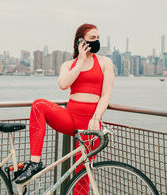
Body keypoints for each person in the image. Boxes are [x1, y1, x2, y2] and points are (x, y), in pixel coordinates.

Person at [15, 23, 115, 193]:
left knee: (82, 176)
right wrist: (81, 61)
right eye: (92, 38)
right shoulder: (68, 65)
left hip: (91, 124)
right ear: (80, 42)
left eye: (98, 38)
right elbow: (63, 84)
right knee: (39, 105)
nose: (97, 42)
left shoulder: (105, 63)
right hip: (70, 118)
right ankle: (35, 162)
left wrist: (96, 117)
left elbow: (106, 95)